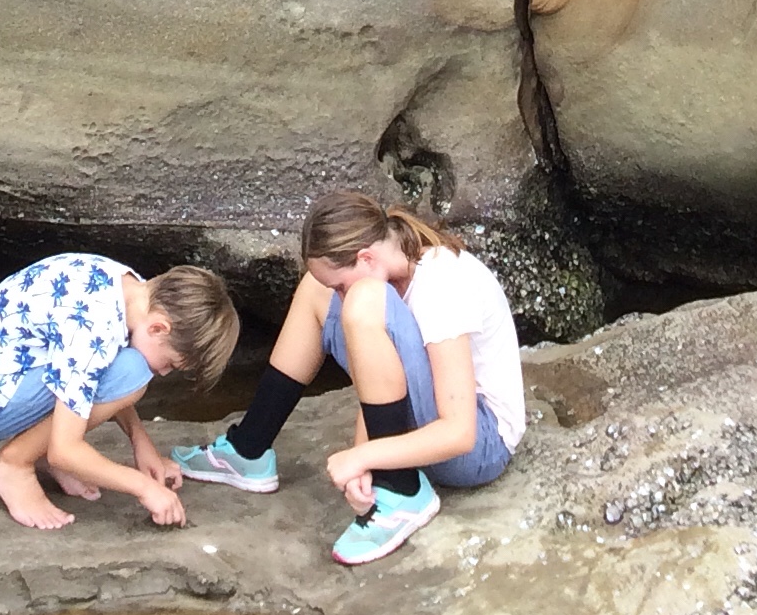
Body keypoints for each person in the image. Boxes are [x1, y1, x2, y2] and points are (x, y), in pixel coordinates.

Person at [173, 189, 523, 563]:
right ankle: (249, 448)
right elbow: (390, 375)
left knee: (363, 299)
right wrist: (364, 464)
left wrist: (364, 456)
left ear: (366, 257)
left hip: (480, 447)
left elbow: (460, 433)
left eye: (340, 284)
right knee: (316, 287)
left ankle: (401, 493)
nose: (339, 297)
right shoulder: (387, 268)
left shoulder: (439, 284)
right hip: (428, 422)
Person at [0, 250, 239, 533]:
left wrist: (140, 440)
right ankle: (13, 464)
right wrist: (144, 487)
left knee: (128, 368)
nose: (163, 373)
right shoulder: (93, 328)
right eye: (170, 363)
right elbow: (65, 450)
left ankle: (35, 449)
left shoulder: (131, 289)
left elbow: (98, 372)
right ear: (158, 328)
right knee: (135, 371)